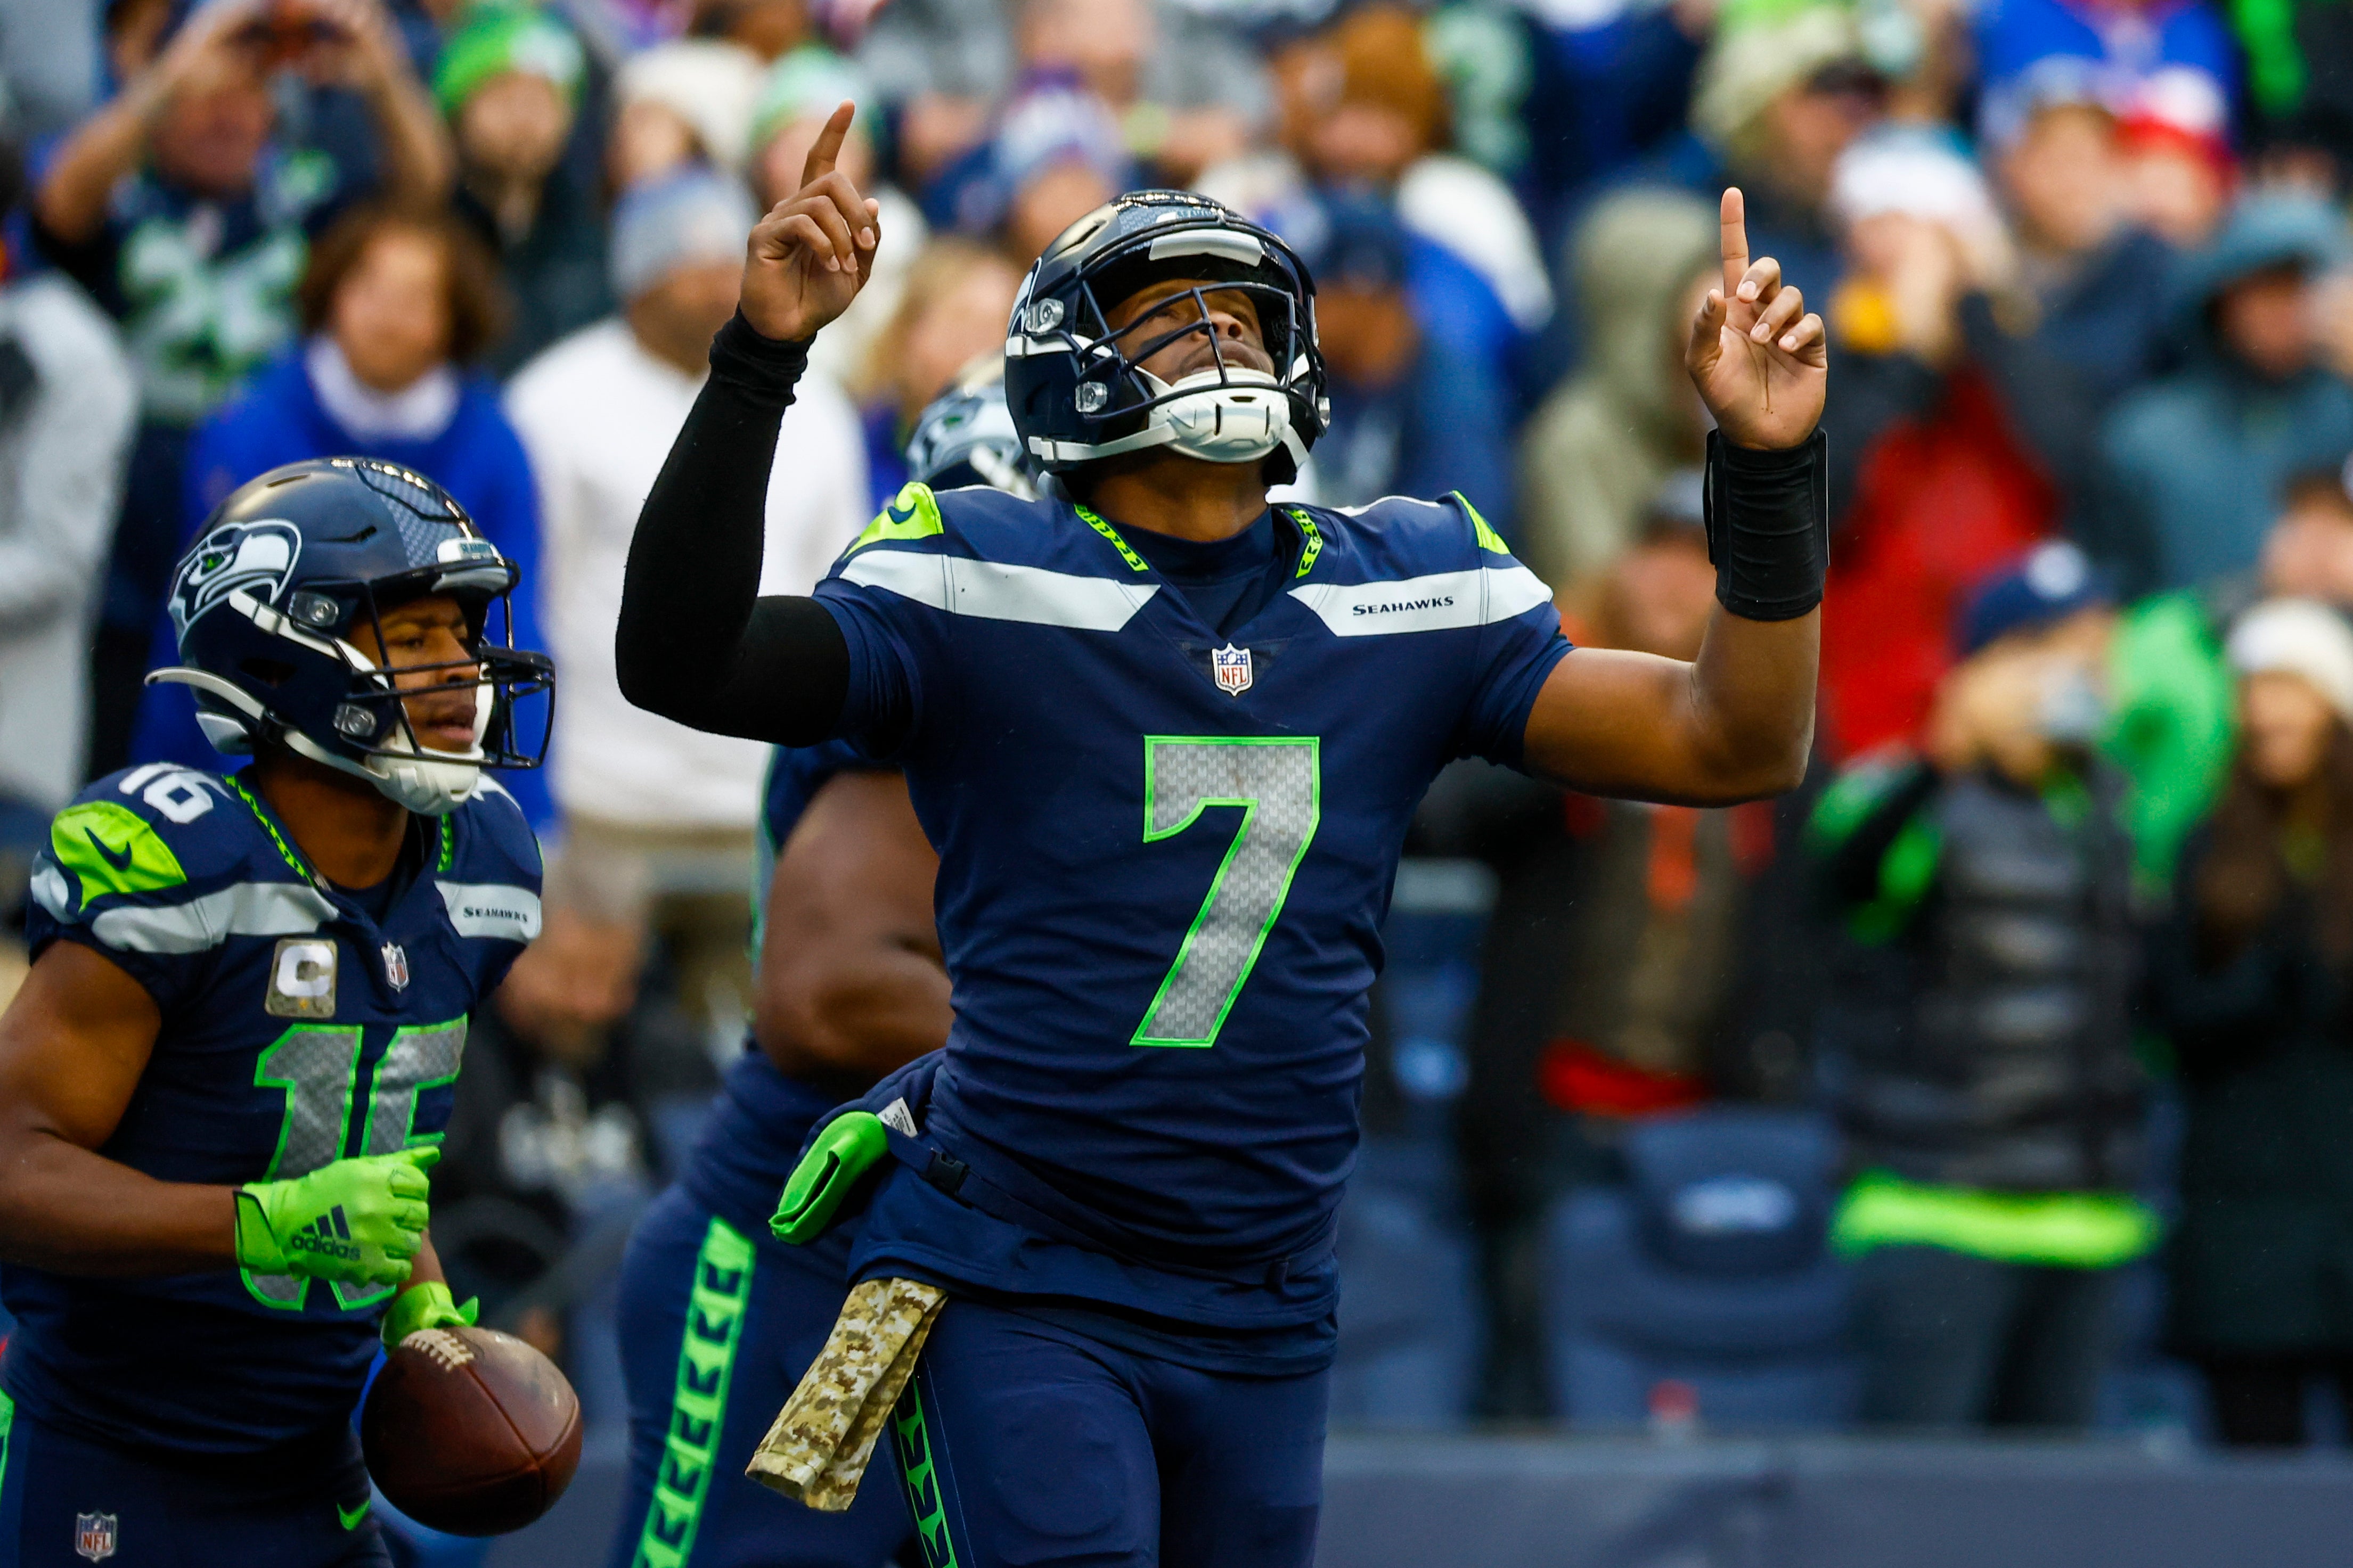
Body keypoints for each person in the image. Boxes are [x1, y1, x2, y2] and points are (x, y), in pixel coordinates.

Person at [616, 104, 1825, 1565]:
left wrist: (1765, 470)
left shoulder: (1410, 585)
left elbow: (1735, 738)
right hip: (1021, 1273)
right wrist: (761, 358)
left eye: (1244, 318)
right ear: (1071, 371)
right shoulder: (985, 573)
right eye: (1166, 319)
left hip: (1264, 1297)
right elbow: (682, 663)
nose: (1222, 341)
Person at [0, 458, 548, 1561]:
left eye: (464, 631)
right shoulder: (179, 859)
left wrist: (420, 1302)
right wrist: (252, 1221)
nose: (463, 670)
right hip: (113, 1458)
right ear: (280, 645)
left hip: (315, 1462)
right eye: (415, 635)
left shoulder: (483, 862)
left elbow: (368, 1149)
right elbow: (12, 1164)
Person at [606, 373, 1027, 1568]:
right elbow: (824, 994)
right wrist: (1092, 1039)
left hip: (935, 1259)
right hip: (810, 1264)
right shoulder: (948, 674)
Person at [501, 166, 864, 1077]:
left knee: (740, 1049)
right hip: (603, 795)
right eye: (686, 262)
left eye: (721, 258)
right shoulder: (554, 396)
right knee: (578, 1042)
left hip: (749, 792)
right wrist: (533, 800)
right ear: (634, 277)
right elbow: (522, 601)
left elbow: (838, 584)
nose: (713, 280)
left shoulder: (818, 402)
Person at [34, 0, 452, 776]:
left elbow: (423, 200)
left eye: (248, 96)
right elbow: (59, 207)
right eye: (206, 98)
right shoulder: (125, 191)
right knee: (121, 758)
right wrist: (168, 76)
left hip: (275, 520)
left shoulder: (297, 195)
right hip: (130, 529)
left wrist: (384, 78)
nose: (227, 117)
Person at [1811, 543, 2153, 1431]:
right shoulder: (1903, 792)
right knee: (1914, 1518)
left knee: (2054, 1533)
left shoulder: (2115, 805)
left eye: (2095, 651)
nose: (2082, 675)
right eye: (2051, 652)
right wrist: (1942, 755)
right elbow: (1834, 886)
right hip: (1935, 1209)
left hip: (2087, 1218)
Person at [129, 200, 553, 839]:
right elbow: (206, 633)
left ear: (453, 317)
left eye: (416, 297)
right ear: (329, 293)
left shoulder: (495, 448)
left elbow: (511, 633)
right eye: (369, 288)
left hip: (434, 779)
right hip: (265, 773)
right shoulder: (249, 426)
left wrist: (520, 815)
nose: (387, 316)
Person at [2150, 598, 2353, 1446]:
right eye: (2253, 689)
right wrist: (2275, 968)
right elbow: (2172, 1011)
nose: (2267, 711)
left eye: (2290, 688)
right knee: (2252, 1478)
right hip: (2243, 1216)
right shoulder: (2207, 849)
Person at [2090, 194, 2353, 596]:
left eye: (2302, 289)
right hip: (2189, 647)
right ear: (2222, 300)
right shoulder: (2146, 434)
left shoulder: (2344, 411)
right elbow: (2112, 587)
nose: (2287, 309)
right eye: (2267, 289)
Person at [1516, 186, 1718, 604]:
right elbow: (1601, 611)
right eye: (1696, 296)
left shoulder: (1702, 414)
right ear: (1644, 314)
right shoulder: (1575, 442)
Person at [435, 2, 611, 377]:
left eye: (545, 99)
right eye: (502, 96)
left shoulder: (592, 230)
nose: (525, 118)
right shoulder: (430, 226)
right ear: (458, 110)